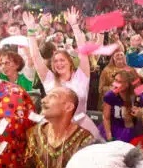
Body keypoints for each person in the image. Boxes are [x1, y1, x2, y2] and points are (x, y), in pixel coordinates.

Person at [24, 9, 101, 138]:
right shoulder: (49, 78)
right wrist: (31, 31)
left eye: (62, 60)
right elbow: (36, 57)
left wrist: (74, 25)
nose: (59, 63)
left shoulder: (81, 77)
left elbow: (83, 51)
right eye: (55, 61)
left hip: (81, 130)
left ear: (70, 62)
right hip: (53, 130)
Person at [99, 70, 141, 143]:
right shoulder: (109, 95)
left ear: (127, 84)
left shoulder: (136, 94)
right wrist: (109, 137)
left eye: (120, 82)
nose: (115, 84)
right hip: (112, 129)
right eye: (115, 80)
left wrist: (140, 112)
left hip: (130, 129)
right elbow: (106, 118)